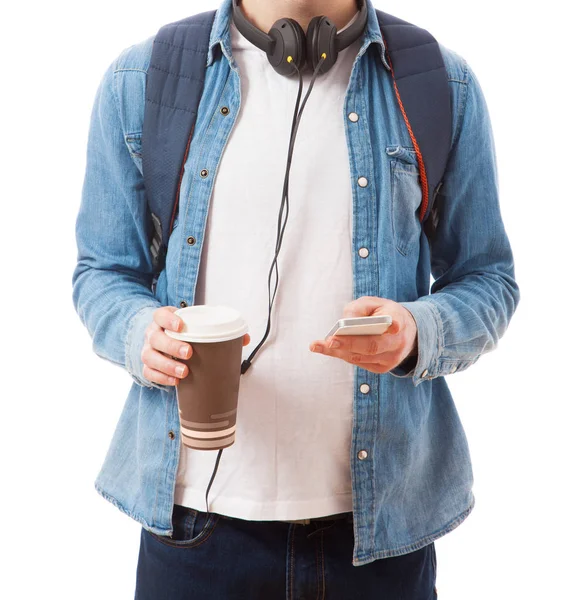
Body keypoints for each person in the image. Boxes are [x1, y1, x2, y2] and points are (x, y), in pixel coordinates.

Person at [71, 0, 520, 597]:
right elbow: (102, 270)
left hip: (378, 537)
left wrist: (418, 331)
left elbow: (489, 279)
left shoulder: (439, 83)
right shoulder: (145, 78)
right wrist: (138, 334)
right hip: (195, 532)